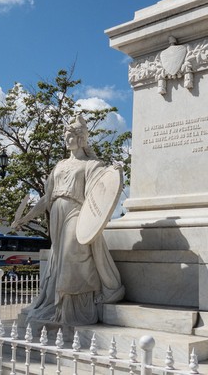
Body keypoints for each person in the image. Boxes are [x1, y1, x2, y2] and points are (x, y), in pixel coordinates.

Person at [11, 114, 124, 325]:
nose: (67, 138)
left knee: (72, 254)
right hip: (56, 214)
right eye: (66, 134)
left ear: (81, 138)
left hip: (76, 212)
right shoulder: (60, 165)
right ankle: (58, 306)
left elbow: (99, 194)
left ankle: (76, 310)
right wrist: (26, 217)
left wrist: (113, 173)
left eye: (71, 134)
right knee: (60, 259)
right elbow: (46, 198)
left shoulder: (92, 165)